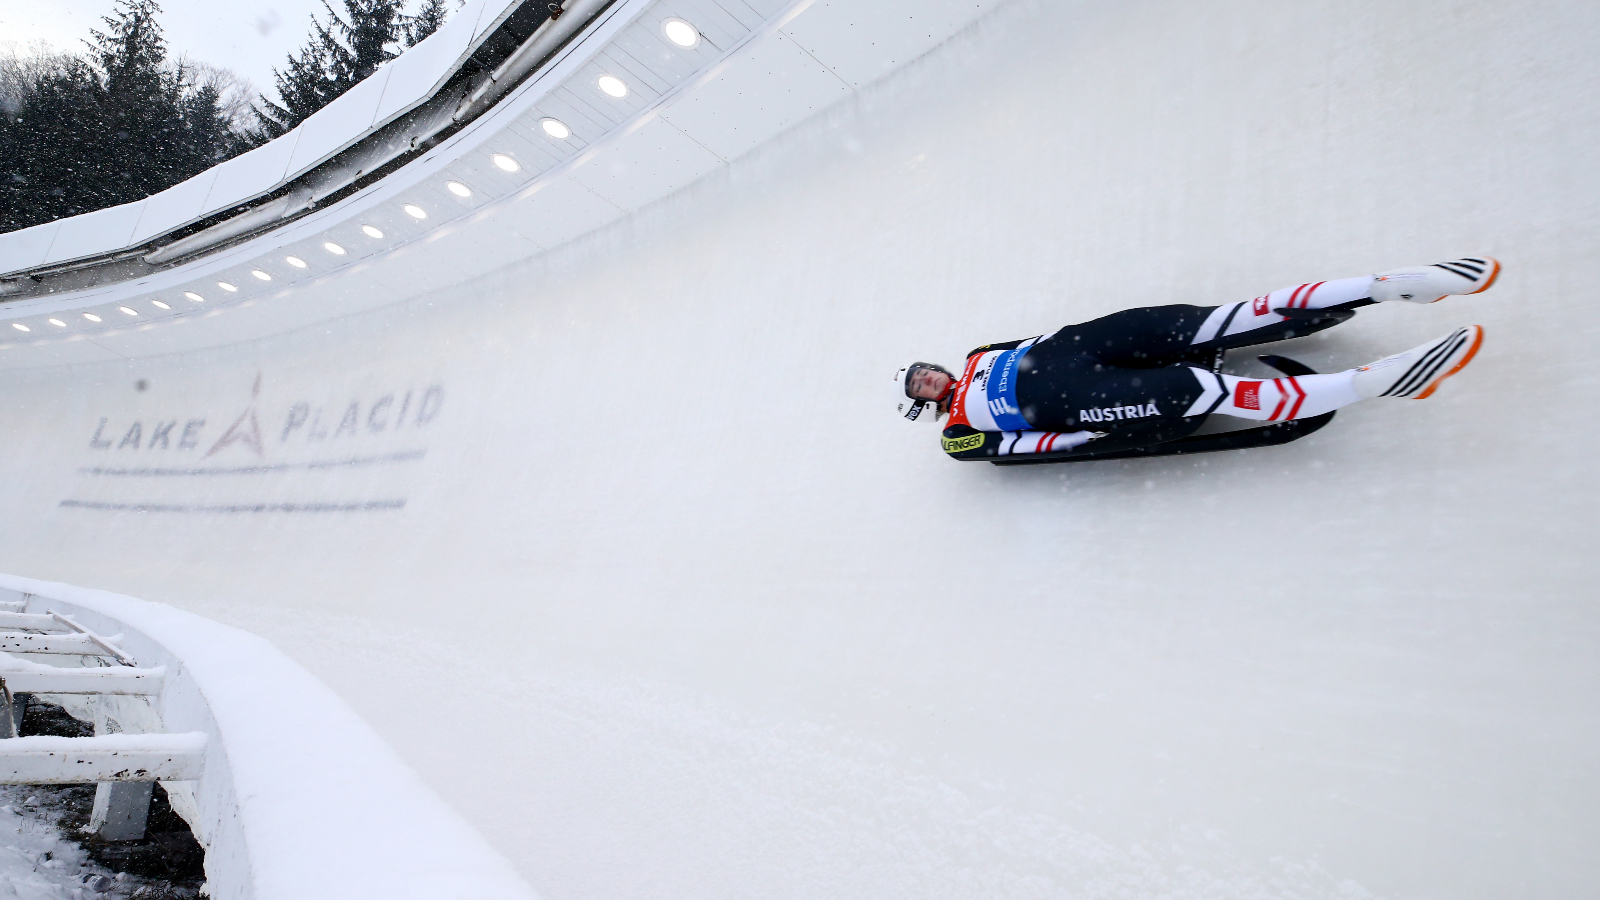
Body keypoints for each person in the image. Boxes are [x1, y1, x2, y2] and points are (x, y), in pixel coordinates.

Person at [894, 257, 1499, 461]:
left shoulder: (979, 352)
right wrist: (1089, 437)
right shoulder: (956, 433)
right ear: (923, 404)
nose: (928, 378)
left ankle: (1388, 284)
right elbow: (1021, 450)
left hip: (1083, 343)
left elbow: (1034, 339)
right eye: (921, 386)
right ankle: (1376, 383)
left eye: (923, 368)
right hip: (1073, 400)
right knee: (1201, 388)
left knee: (1217, 320)